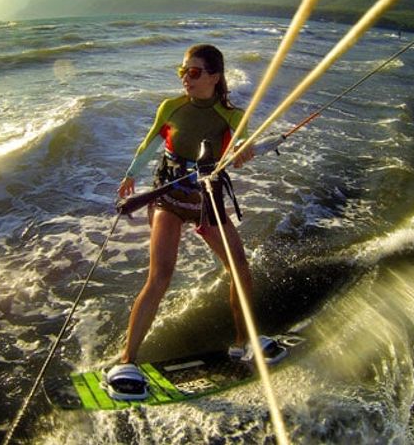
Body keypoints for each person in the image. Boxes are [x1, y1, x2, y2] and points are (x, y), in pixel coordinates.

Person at [105, 44, 286, 401]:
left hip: (207, 202)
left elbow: (241, 142)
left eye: (194, 72)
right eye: (183, 71)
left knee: (240, 269)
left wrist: (243, 151)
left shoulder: (231, 115)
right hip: (168, 199)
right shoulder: (171, 107)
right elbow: (149, 145)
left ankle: (243, 343)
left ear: (215, 77)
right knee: (160, 275)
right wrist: (130, 176)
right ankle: (126, 362)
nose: (185, 78)